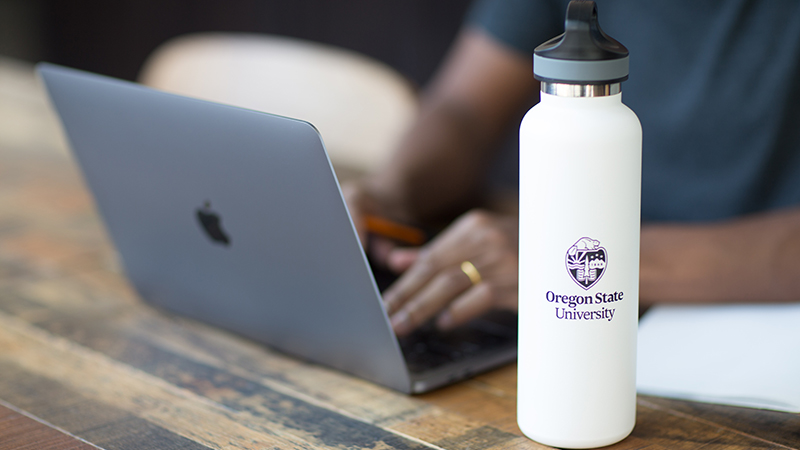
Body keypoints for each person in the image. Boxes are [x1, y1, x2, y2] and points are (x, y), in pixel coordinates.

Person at [344, 0, 800, 337]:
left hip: (759, 316)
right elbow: (465, 108)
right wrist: (391, 192)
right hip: (580, 306)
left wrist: (576, 259)